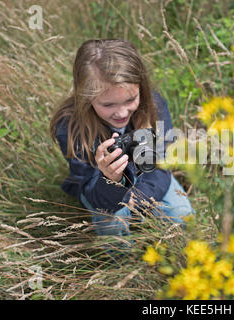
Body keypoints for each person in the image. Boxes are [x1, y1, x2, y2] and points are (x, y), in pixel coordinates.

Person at [49, 39, 194, 240]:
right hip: (98, 186)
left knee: (182, 216)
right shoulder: (69, 126)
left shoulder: (153, 105)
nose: (122, 112)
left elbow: (161, 164)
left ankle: (171, 254)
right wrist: (109, 179)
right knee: (111, 225)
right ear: (86, 97)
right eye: (108, 105)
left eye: (130, 99)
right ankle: (123, 265)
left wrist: (139, 201)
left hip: (150, 177)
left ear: (141, 88)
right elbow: (94, 196)